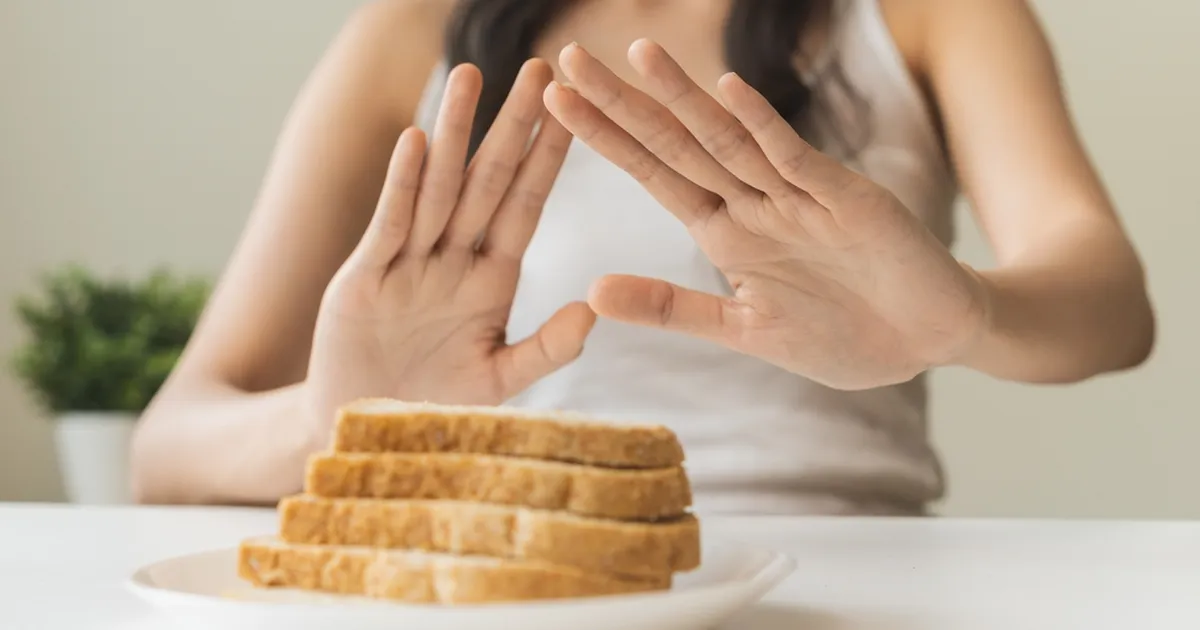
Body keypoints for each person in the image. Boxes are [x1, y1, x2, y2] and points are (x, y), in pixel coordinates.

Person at [130, 0, 1155, 514]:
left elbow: (1109, 302)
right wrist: (340, 430)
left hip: (865, 581)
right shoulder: (411, 32)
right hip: (529, 586)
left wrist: (969, 314)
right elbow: (168, 447)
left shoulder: (927, 14)